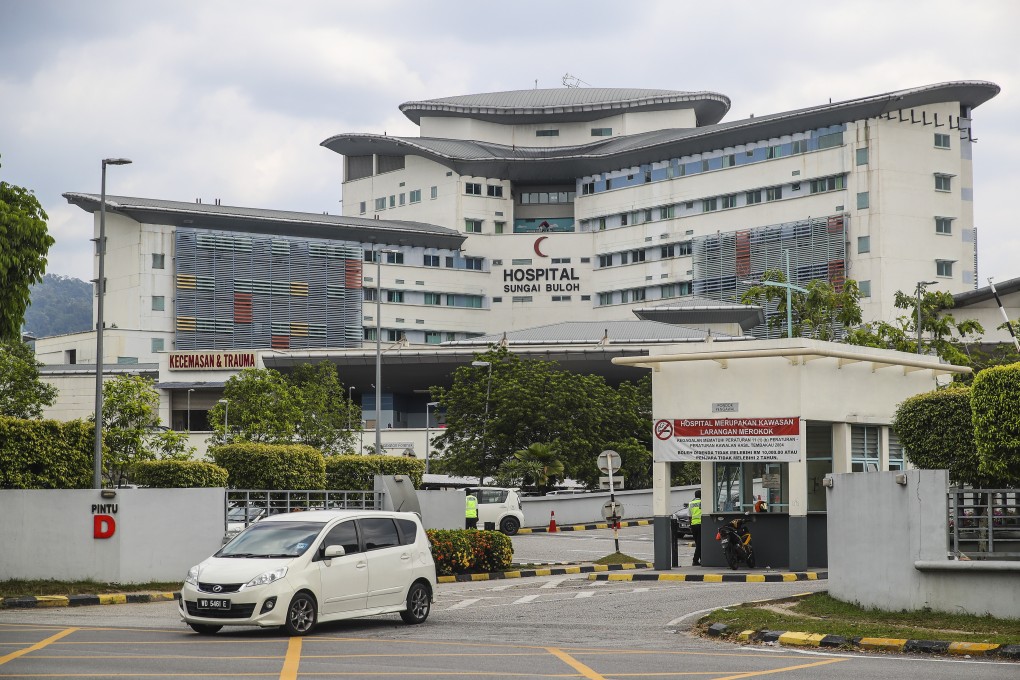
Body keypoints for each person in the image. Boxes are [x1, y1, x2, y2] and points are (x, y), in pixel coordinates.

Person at [690, 490, 702, 566]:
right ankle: (695, 560)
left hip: (693, 524)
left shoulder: (691, 503)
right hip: (701, 524)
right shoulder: (702, 502)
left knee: (698, 543)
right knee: (699, 544)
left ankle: (701, 559)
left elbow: (689, 515)